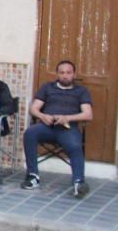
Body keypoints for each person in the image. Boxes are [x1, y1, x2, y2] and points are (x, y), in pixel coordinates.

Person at [21, 61, 93, 198]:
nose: (65, 76)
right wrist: (42, 116)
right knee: (30, 133)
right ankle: (33, 176)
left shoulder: (81, 91)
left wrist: (67, 118)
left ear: (74, 74)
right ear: (57, 74)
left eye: (68, 73)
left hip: (68, 128)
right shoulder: (48, 88)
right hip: (47, 126)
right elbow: (33, 108)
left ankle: (79, 182)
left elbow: (88, 114)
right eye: (62, 72)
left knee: (75, 145)